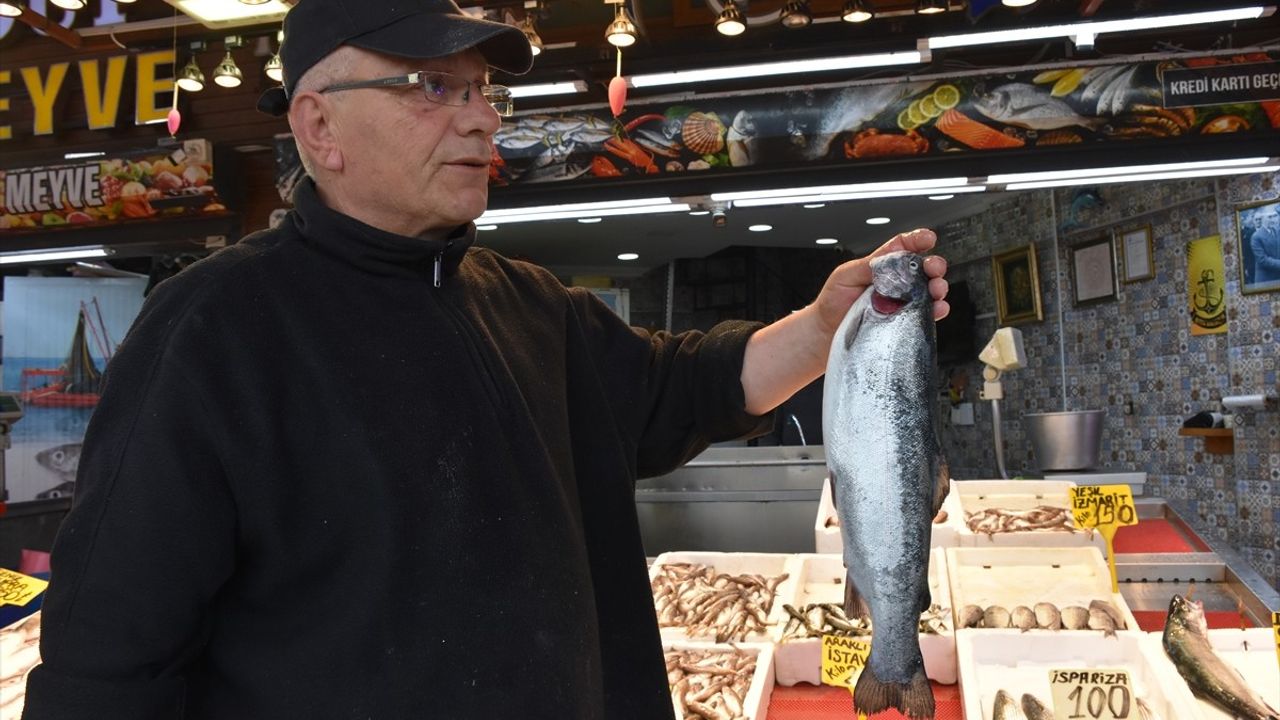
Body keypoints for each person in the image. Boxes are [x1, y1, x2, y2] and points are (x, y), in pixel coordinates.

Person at [20, 0, 949, 717]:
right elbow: (110, 660)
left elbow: (682, 389)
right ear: (318, 130)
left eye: (481, 92)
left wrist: (828, 330)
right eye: (430, 87)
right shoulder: (215, 329)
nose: (480, 122)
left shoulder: (524, 300)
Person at [1251, 209, 1280, 285]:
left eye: (1275, 216)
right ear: (1262, 219)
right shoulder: (1256, 236)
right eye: (1269, 217)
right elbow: (1262, 260)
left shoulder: (1276, 231)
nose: (1273, 219)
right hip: (1265, 280)